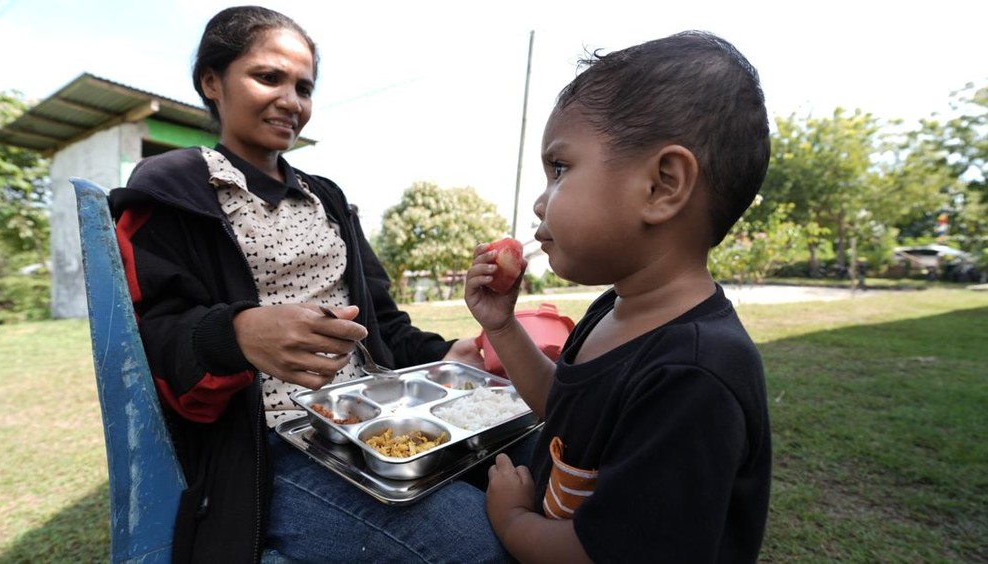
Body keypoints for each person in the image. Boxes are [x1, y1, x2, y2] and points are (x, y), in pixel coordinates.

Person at [109, 6, 509, 563]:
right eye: (268, 77)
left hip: (373, 414)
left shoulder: (327, 198)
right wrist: (237, 334)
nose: (291, 101)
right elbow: (148, 337)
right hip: (270, 443)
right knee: (474, 546)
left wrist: (448, 353)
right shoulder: (177, 186)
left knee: (536, 455)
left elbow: (381, 322)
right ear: (211, 82)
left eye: (304, 86)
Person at [465, 31, 773, 562]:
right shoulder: (615, 307)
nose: (540, 203)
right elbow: (566, 407)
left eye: (559, 168)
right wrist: (501, 326)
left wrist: (513, 519)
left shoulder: (694, 374)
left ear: (662, 186)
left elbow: (607, 554)